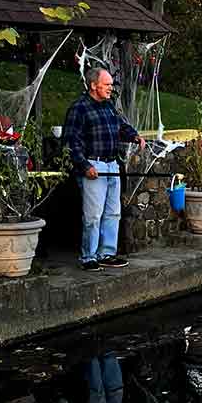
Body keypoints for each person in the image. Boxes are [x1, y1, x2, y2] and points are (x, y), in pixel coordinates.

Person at [62, 67, 145, 271]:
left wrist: (134, 136)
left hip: (111, 164)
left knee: (113, 213)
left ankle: (107, 253)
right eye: (107, 84)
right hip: (93, 165)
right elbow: (71, 142)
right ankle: (88, 256)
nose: (110, 88)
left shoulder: (108, 106)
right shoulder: (79, 108)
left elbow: (121, 127)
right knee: (93, 215)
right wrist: (84, 166)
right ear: (93, 85)